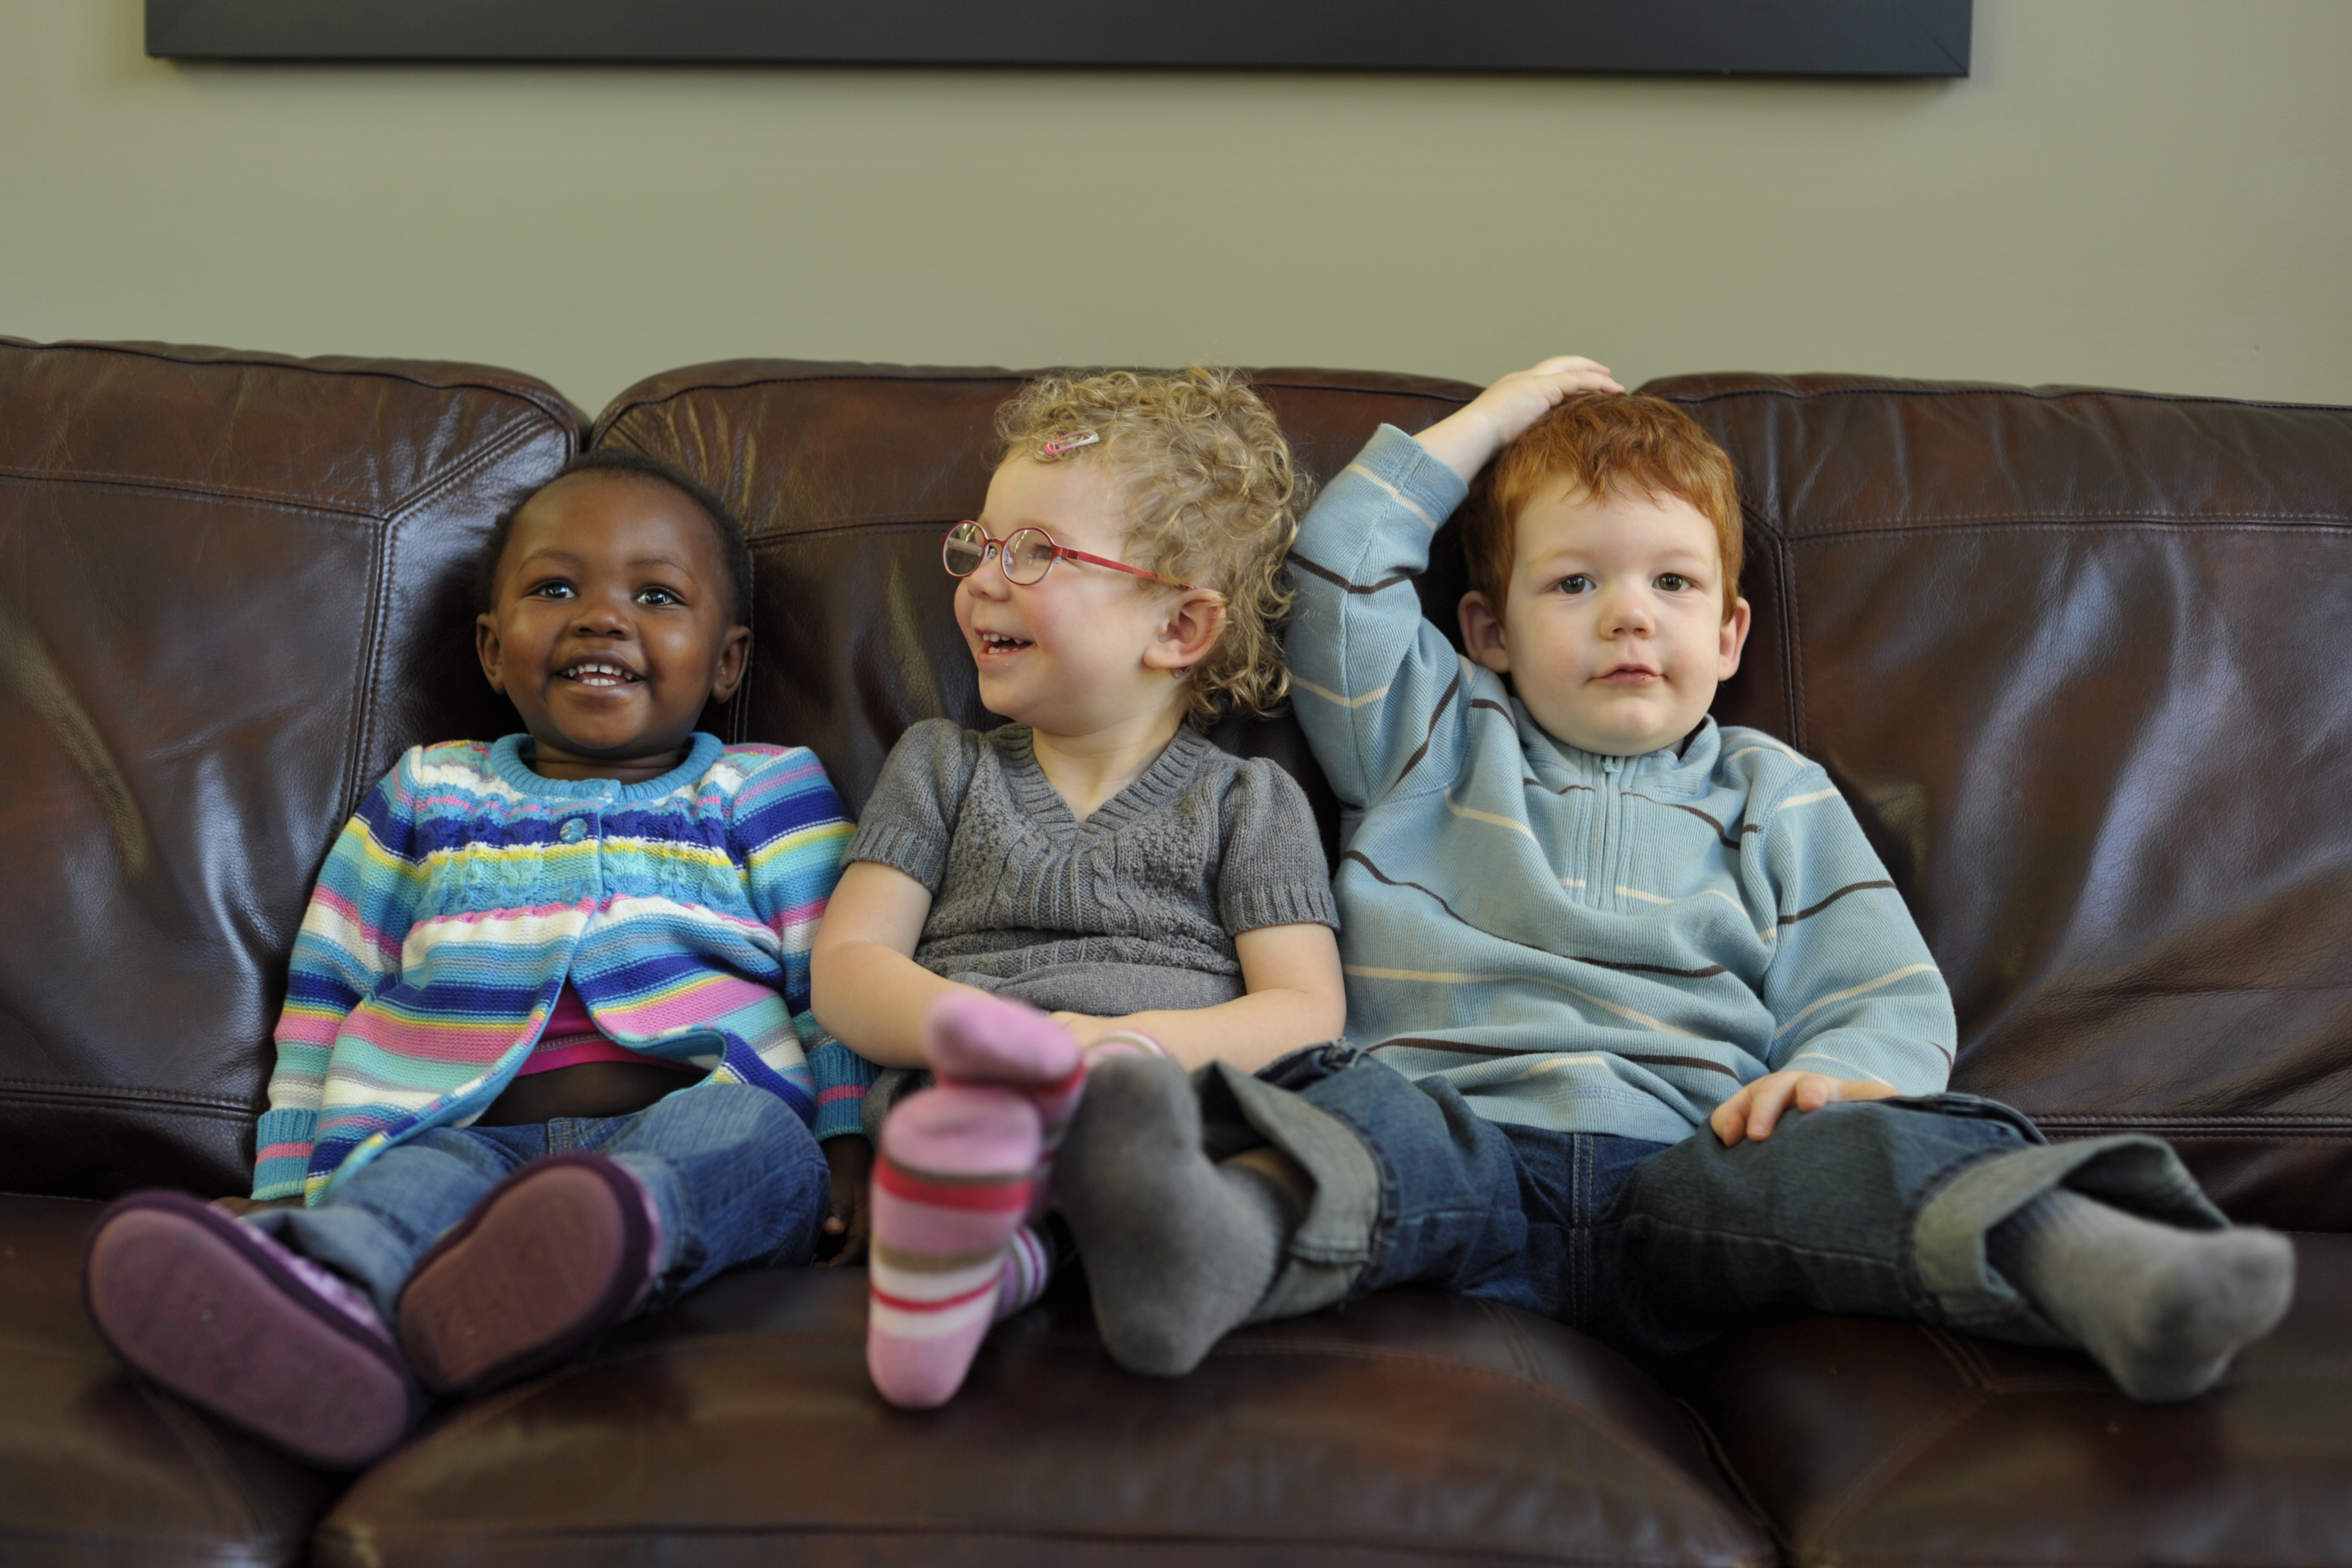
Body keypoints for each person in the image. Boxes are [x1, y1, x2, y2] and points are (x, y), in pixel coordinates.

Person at [1051, 357, 2296, 1404]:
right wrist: (1496, 416)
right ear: (1486, 631)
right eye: (1574, 583)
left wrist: (1841, 1077)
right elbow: (1339, 565)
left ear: (1729, 632)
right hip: (1459, 1141)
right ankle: (1206, 1249)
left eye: (1671, 583)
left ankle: (2112, 1270)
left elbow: (1879, 993)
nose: (1628, 617)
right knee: (1353, 1122)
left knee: (1863, 1157)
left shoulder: (1773, 792)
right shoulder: (1428, 734)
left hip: (1695, 1168)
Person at [81, 451, 873, 1467]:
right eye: (556, 589)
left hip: (695, 1111)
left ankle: (606, 1241)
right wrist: (289, 1180)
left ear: (728, 662)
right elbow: (327, 988)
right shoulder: (429, 793)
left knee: (752, 1138)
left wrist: (848, 1136)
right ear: (493, 652)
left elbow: (835, 975)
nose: (601, 616)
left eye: (656, 595)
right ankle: (318, 1296)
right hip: (458, 1134)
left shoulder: (766, 790)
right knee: (398, 1192)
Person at [809, 368, 1346, 1409]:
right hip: (975, 1095)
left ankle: (999, 1267)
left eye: (1035, 553)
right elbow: (849, 965)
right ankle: (982, 1242)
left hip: (1169, 1106)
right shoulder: (940, 765)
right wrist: (996, 1038)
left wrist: (1119, 1050)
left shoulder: (1249, 800)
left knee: (1353, 1117)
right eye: (982, 544)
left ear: (1179, 627)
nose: (981, 581)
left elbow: (1306, 1007)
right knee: (958, 1129)